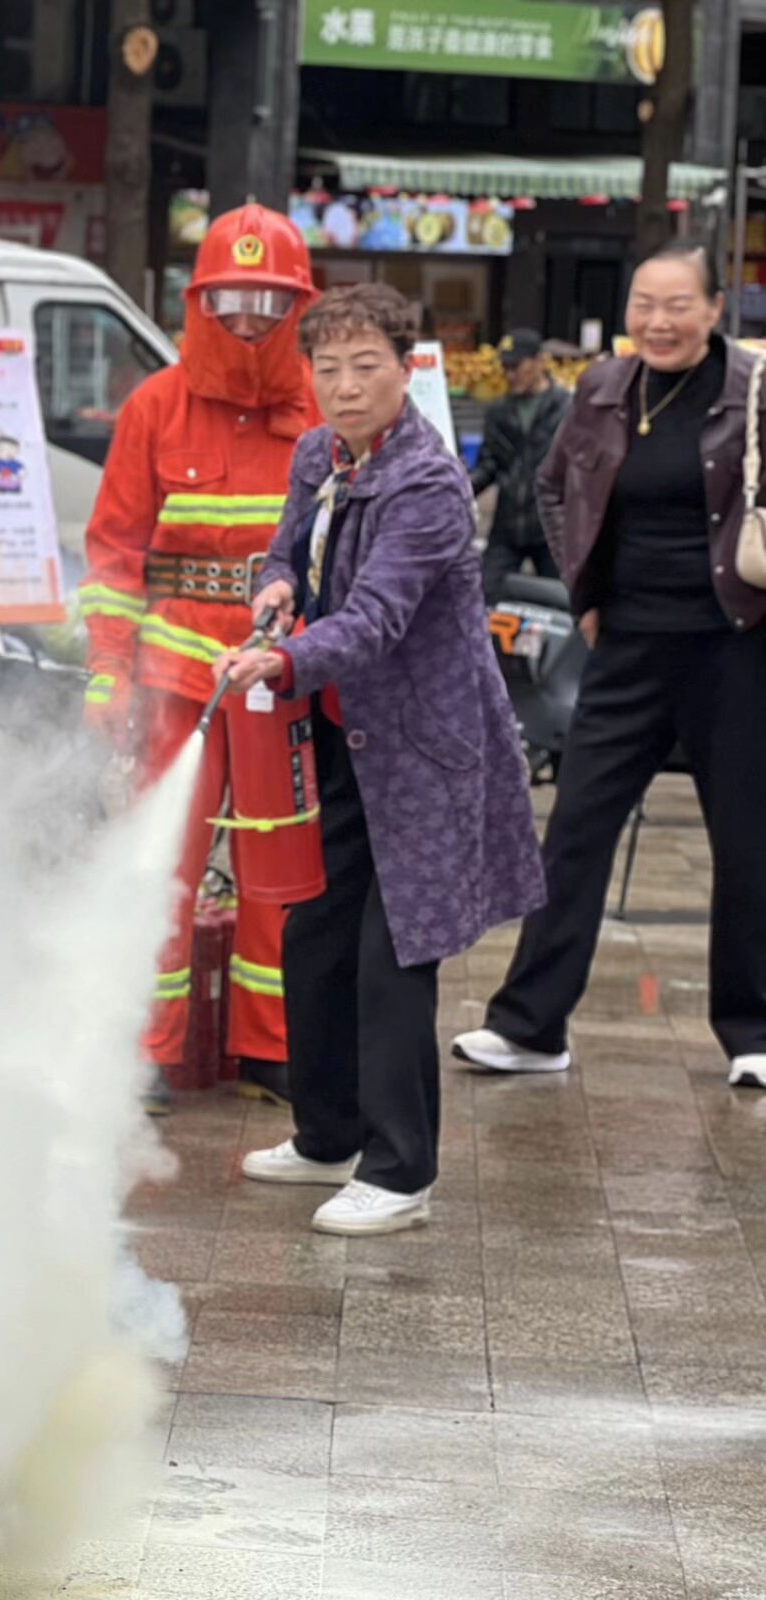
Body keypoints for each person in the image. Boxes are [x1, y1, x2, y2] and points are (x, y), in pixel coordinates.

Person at [220, 283, 543, 1236]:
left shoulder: (428, 484)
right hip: (340, 739)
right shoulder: (318, 452)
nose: (345, 388)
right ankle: (326, 1135)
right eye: (326, 370)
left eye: (366, 368)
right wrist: (274, 587)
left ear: (407, 370)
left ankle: (401, 1172)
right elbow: (284, 551)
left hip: (425, 750)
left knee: (392, 953)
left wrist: (278, 656)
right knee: (313, 934)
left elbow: (373, 621)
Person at [453, 242, 766, 1091]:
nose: (657, 322)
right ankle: (528, 1025)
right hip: (624, 643)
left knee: (746, 843)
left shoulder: (754, 390)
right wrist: (581, 588)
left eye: (676, 306)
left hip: (734, 644)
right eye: (643, 305)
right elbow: (553, 490)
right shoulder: (599, 389)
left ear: (712, 311)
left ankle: (752, 1030)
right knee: (575, 831)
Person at [80, 205, 322, 1115]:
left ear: (298, 305)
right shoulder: (155, 406)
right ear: (198, 303)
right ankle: (147, 1051)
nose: (249, 319)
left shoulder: (321, 411)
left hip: (281, 687)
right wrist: (106, 673)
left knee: (281, 875)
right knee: (160, 868)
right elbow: (111, 557)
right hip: (174, 689)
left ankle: (273, 1047)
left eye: (268, 300)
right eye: (231, 300)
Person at [471, 327, 570, 598]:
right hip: (508, 525)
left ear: (538, 361)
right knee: (483, 599)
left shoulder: (567, 408)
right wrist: (460, 489)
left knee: (565, 602)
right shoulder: (498, 412)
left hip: (551, 527)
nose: (510, 374)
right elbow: (489, 465)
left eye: (517, 366)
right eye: (506, 367)